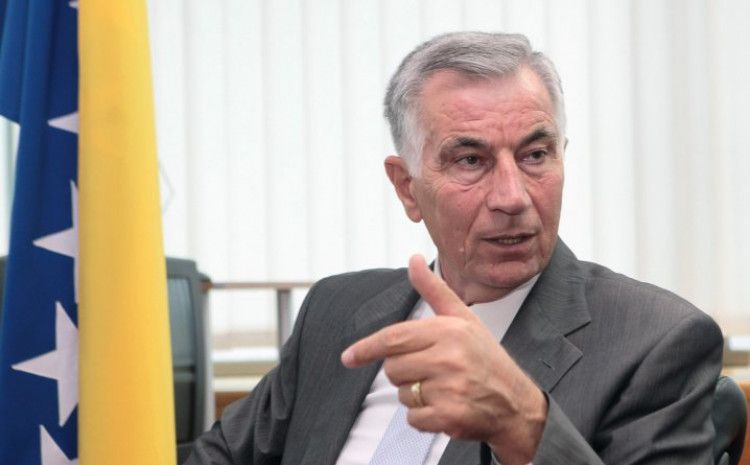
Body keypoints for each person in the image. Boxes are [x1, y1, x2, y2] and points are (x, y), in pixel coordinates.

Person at [186, 31, 722, 465]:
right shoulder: (337, 311)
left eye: (535, 155)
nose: (513, 197)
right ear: (407, 188)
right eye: (470, 161)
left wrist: (524, 427)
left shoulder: (655, 343)